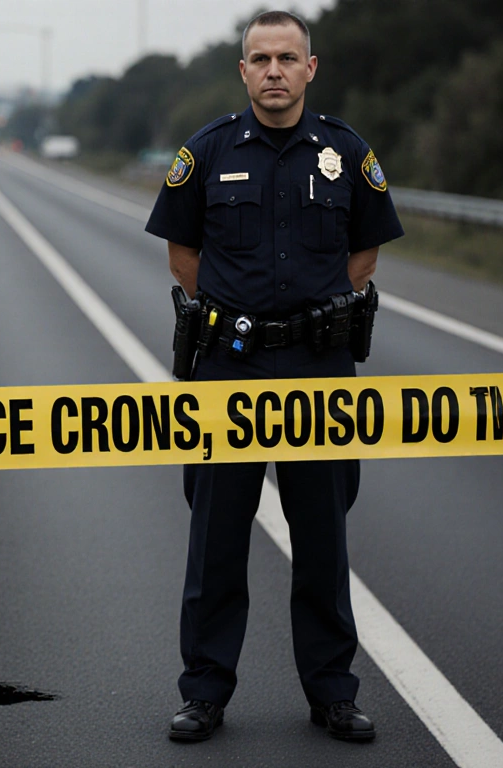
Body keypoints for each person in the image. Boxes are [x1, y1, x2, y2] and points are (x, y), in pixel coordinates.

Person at [144, 10, 404, 742]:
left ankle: (332, 693)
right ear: (244, 70)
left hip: (320, 371)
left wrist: (309, 323)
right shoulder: (207, 151)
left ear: (310, 68)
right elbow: (182, 256)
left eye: (288, 57)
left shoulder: (346, 152)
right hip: (228, 370)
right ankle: (204, 692)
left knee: (323, 539)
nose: (274, 71)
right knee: (216, 540)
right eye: (260, 58)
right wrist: (242, 322)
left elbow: (365, 255)